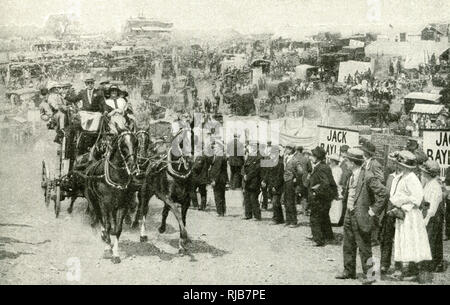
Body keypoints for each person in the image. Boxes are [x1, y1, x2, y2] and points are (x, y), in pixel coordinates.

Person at [336, 147, 386, 284]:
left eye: (347, 160)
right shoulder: (351, 175)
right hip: (349, 214)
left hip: (362, 216)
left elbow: (383, 194)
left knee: (364, 247)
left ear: (352, 162)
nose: (345, 163)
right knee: (348, 244)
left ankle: (370, 275)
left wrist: (373, 211)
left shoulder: (368, 176)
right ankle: (348, 270)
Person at [388, 150, 432, 281]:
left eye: (400, 164)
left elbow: (417, 199)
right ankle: (405, 269)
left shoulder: (412, 178)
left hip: (411, 215)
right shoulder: (401, 177)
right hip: (402, 214)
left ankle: (415, 270)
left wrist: (402, 203)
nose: (398, 166)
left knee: (412, 241)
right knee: (403, 240)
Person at [308, 146, 337, 246]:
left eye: (312, 156)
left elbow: (325, 183)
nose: (310, 157)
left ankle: (318, 239)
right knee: (324, 216)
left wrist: (316, 192)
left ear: (317, 157)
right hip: (325, 197)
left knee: (315, 217)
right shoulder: (322, 166)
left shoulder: (321, 168)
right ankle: (328, 236)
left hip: (321, 198)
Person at [420, 160, 445, 273]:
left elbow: (433, 207)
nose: (422, 173)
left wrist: (426, 219)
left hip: (433, 217)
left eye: (424, 172)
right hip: (428, 215)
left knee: (430, 241)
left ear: (429, 173)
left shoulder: (435, 187)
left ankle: (429, 266)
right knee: (429, 240)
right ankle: (431, 263)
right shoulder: (429, 184)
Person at [380, 153, 402, 274]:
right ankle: (384, 263)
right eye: (392, 162)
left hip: (400, 213)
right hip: (388, 212)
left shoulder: (405, 178)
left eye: (395, 162)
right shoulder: (390, 177)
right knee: (385, 238)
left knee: (400, 239)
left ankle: (399, 266)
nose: (393, 164)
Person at [263, 145, 284, 224]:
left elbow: (280, 176)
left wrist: (276, 186)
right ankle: (280, 218)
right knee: (275, 202)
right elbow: (267, 173)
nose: (272, 155)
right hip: (271, 185)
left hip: (277, 186)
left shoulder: (280, 163)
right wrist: (264, 181)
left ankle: (276, 219)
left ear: (277, 153)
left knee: (275, 202)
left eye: (273, 153)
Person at [283, 144, 302, 227]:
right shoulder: (287, 158)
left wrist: (295, 178)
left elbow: (301, 171)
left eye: (287, 149)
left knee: (291, 201)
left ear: (291, 150)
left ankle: (293, 221)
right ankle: (288, 220)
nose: (285, 150)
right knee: (286, 201)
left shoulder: (294, 160)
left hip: (290, 181)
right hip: (286, 181)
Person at [242, 141, 262, 220]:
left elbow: (257, 169)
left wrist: (248, 176)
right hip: (247, 180)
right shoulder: (250, 156)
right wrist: (244, 174)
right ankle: (248, 215)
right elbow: (244, 167)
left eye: (254, 146)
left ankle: (257, 216)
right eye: (251, 146)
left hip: (254, 180)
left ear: (257, 147)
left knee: (253, 198)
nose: (252, 148)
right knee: (247, 198)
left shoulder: (259, 157)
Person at [209, 141, 228, 216]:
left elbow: (217, 170)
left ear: (220, 148)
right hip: (222, 179)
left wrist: (214, 180)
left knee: (217, 195)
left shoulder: (219, 157)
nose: (214, 149)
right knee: (222, 195)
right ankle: (222, 211)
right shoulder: (221, 156)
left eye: (216, 147)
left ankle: (220, 212)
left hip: (218, 180)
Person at [190, 144, 211, 211]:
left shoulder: (200, 157)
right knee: (203, 192)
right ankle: (203, 206)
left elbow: (197, 167)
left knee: (192, 191)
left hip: (197, 178)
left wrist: (191, 166)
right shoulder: (207, 157)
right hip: (203, 178)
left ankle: (196, 205)